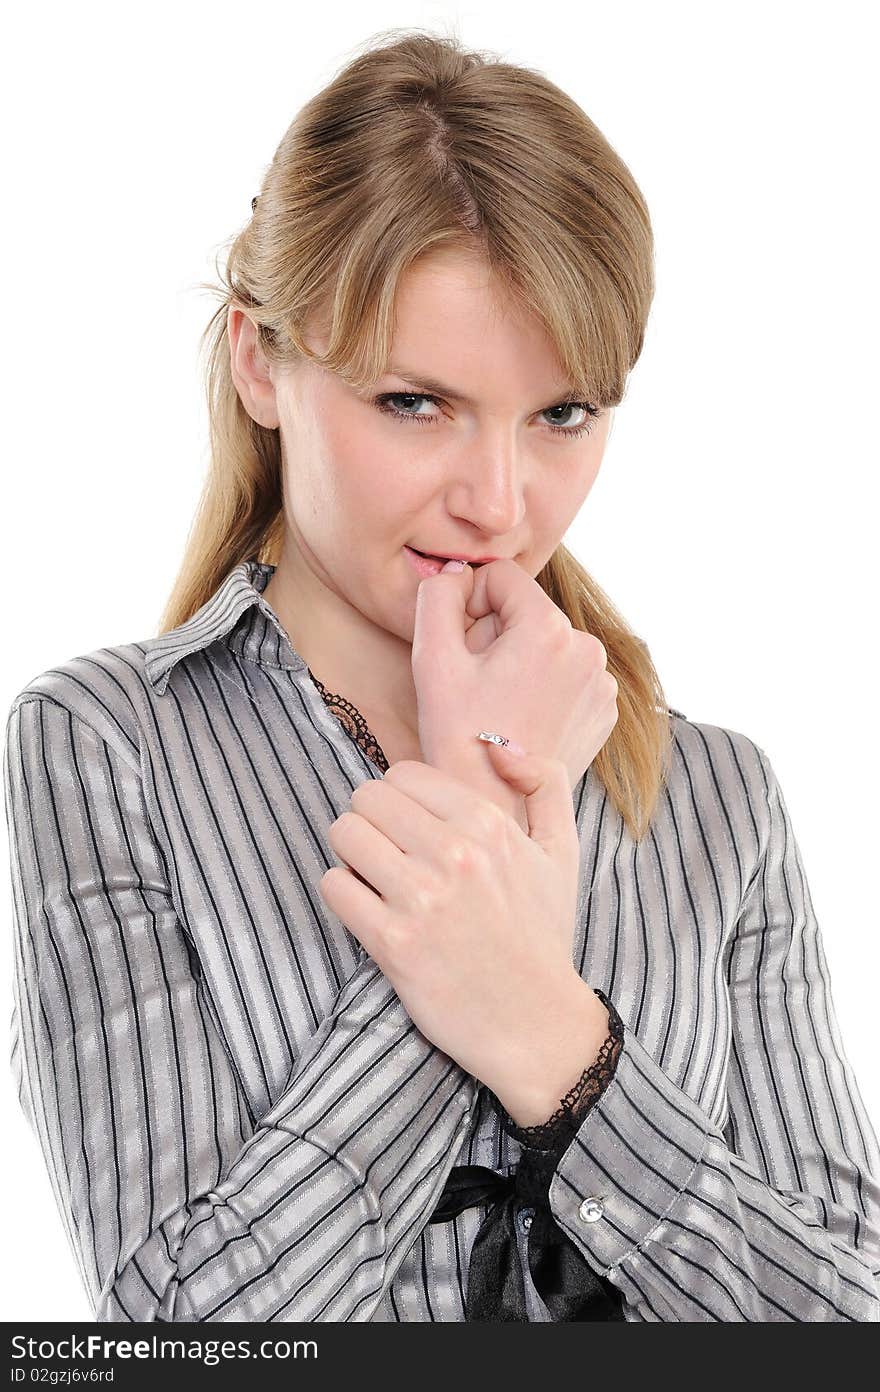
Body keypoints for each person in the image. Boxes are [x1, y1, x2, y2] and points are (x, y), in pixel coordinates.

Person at [4, 28, 879, 1324]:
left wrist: (560, 1050)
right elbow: (187, 1329)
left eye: (562, 415)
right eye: (416, 403)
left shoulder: (717, 797)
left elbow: (843, 1320)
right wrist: (474, 817)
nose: (498, 501)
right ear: (261, 361)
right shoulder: (108, 748)